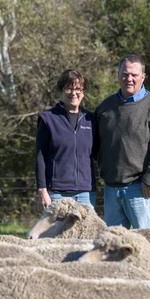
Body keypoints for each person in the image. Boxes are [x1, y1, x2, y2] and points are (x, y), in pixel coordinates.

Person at [95, 54, 150, 228]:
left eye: (134, 75)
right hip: (111, 190)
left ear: (143, 77)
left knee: (145, 247)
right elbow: (95, 145)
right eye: (124, 74)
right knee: (113, 248)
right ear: (118, 75)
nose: (129, 79)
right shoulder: (105, 108)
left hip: (140, 189)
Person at [35, 69, 96, 209]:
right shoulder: (48, 119)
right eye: (69, 88)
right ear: (61, 91)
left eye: (78, 89)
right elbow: (40, 157)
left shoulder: (91, 119)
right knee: (56, 231)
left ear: (83, 92)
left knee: (86, 231)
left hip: (86, 193)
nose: (74, 93)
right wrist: (43, 190)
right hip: (57, 193)